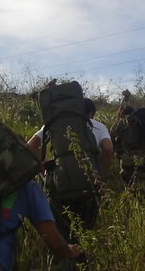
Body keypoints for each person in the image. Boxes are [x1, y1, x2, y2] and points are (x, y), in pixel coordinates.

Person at [28, 97, 110, 270]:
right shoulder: (98, 125)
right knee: (83, 235)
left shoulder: (53, 124)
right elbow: (108, 149)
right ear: (91, 113)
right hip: (88, 189)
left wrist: (42, 166)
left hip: (60, 189)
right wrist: (100, 179)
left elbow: (30, 146)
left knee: (60, 236)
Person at [110, 90, 145, 186]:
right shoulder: (141, 121)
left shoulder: (117, 125)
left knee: (128, 183)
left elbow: (112, 142)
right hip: (142, 156)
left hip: (125, 158)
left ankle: (132, 197)